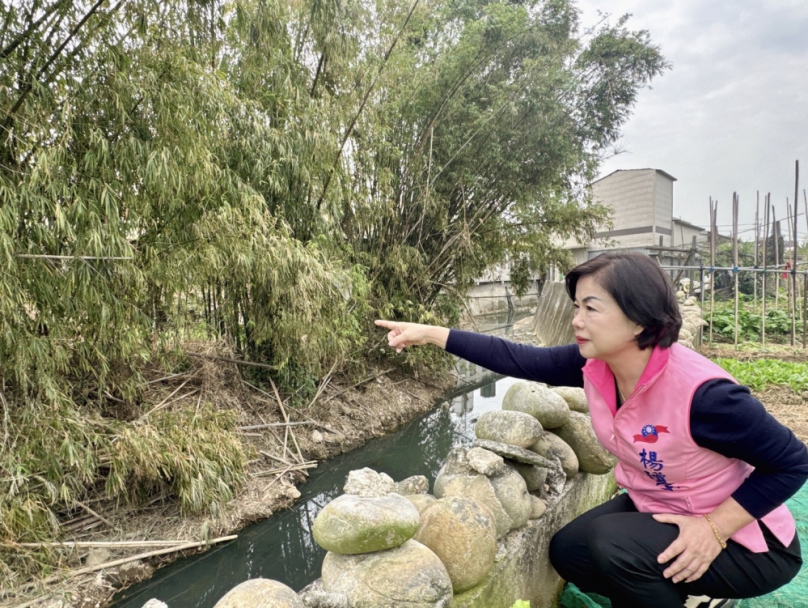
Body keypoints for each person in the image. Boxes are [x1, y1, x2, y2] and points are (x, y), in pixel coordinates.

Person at [375, 252, 807, 608]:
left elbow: (793, 463)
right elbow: (519, 357)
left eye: (591, 308)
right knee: (571, 551)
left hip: (750, 542)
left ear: (639, 320)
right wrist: (432, 334)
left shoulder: (705, 395)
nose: (576, 320)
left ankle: (697, 587)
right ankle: (688, 594)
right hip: (660, 505)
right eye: (576, 306)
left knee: (610, 544)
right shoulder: (596, 366)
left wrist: (713, 529)